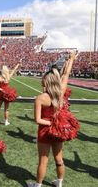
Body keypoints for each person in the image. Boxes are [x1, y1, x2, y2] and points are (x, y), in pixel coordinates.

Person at [28, 51, 78, 187]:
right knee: (59, 159)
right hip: (58, 130)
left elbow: (38, 120)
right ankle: (59, 182)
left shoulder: (40, 98)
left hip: (45, 131)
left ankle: (38, 185)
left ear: (46, 81)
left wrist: (51, 123)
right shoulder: (60, 92)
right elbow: (66, 74)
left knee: (43, 160)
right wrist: (71, 59)